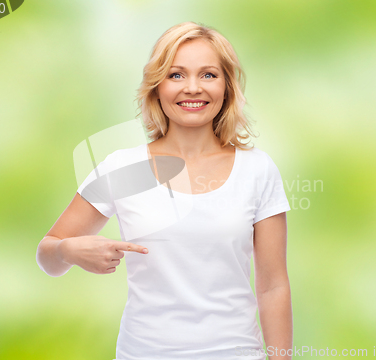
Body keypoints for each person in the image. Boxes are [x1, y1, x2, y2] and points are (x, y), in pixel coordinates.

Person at [36, 21, 293, 360]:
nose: (192, 88)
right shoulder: (125, 169)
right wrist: (69, 250)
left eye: (208, 75)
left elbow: (273, 287)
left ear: (227, 88)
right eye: (176, 75)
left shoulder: (257, 169)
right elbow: (48, 255)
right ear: (156, 88)